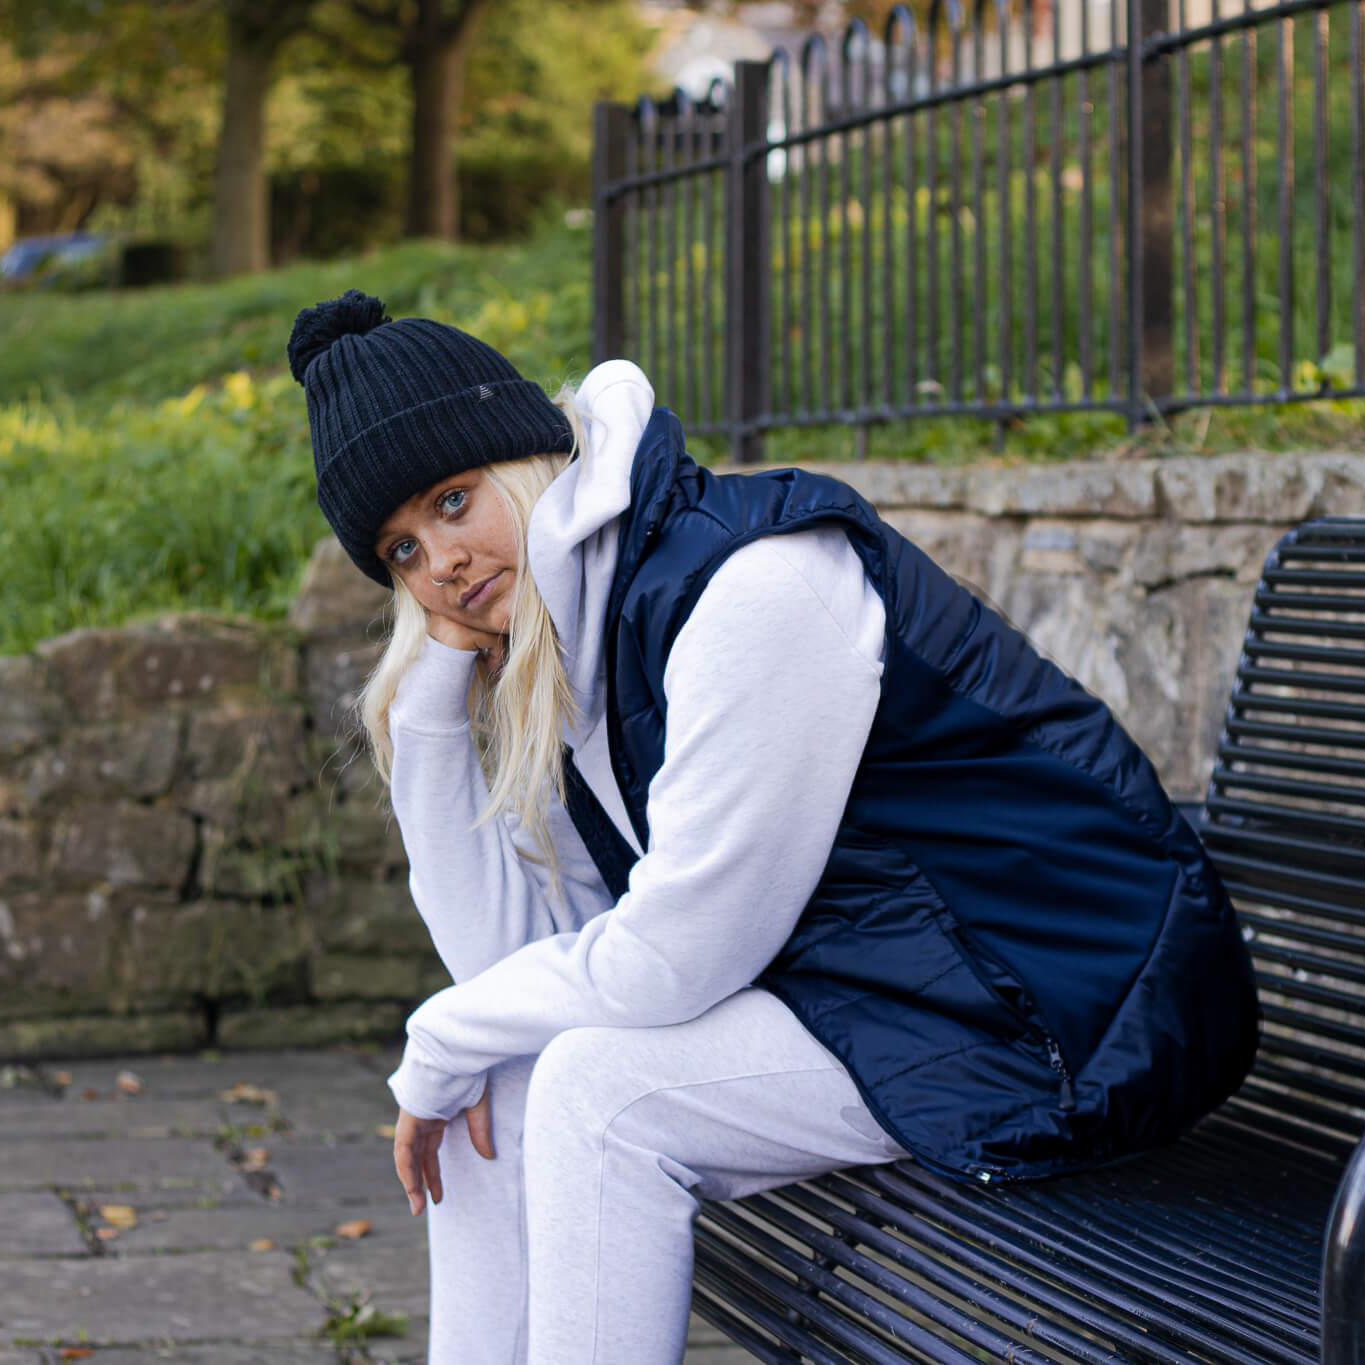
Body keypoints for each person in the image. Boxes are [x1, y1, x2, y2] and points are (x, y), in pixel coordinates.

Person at [286, 289, 1260, 1365]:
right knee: (508, 1071)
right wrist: (425, 704)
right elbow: (511, 967)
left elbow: (668, 962)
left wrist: (435, 1040)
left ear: (524, 457)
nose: (443, 563)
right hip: (888, 985)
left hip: (1063, 1004)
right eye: (402, 553)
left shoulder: (751, 586)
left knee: (597, 1096)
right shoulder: (584, 637)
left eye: (454, 500)